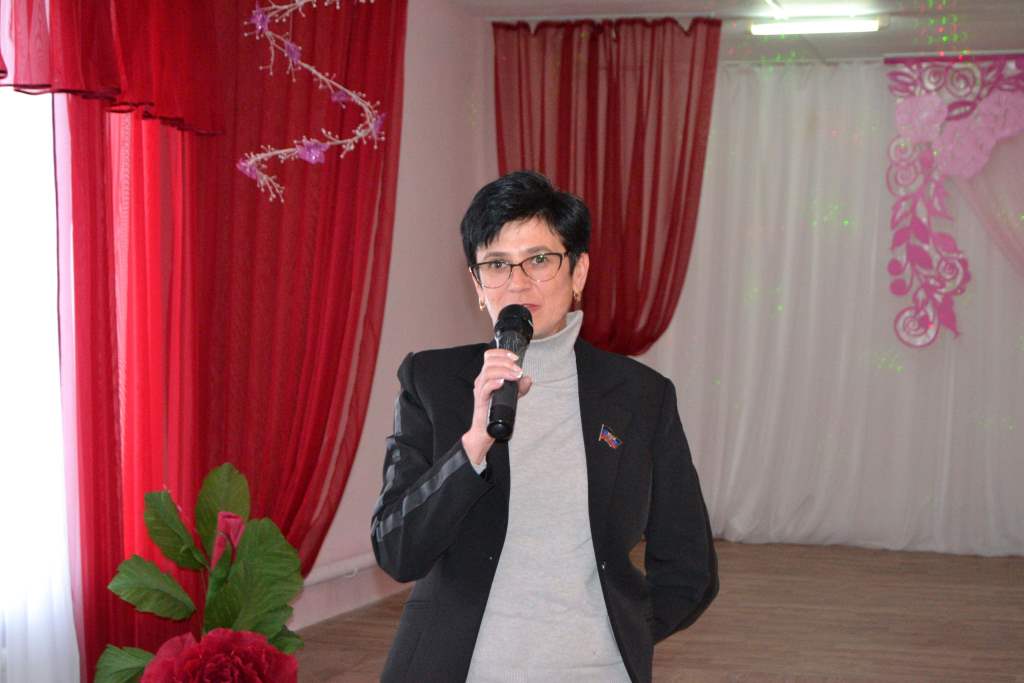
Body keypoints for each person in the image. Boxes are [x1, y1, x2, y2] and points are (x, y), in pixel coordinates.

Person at [371, 170, 717, 682]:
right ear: (477, 284)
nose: (517, 282)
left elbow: (689, 566)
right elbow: (397, 551)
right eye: (496, 264)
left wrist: (618, 632)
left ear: (578, 272)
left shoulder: (641, 395)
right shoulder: (432, 382)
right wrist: (473, 443)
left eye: (539, 259)